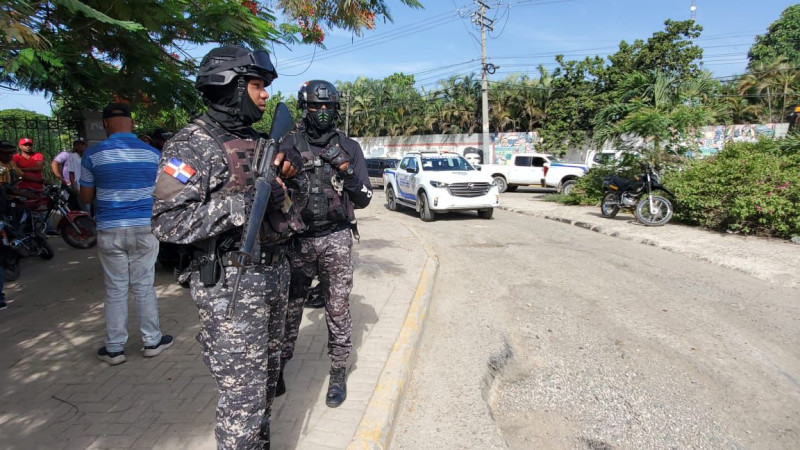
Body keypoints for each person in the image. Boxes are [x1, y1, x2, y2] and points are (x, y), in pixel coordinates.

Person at [151, 45, 304, 449]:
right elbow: (167, 222)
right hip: (231, 286)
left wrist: (285, 181)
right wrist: (240, 205)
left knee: (267, 389)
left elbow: (285, 207)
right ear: (229, 86)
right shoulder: (191, 145)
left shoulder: (258, 141)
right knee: (243, 401)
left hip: (273, 274)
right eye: (256, 85)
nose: (265, 95)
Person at [277, 80, 373, 408]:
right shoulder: (287, 144)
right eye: (315, 107)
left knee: (338, 306)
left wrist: (344, 169)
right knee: (288, 308)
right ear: (304, 109)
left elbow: (363, 199)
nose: (321, 112)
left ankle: (337, 371)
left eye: (327, 107)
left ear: (335, 110)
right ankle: (278, 367)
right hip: (297, 239)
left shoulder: (349, 147)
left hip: (336, 237)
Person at [79, 102, 173, 366]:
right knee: (144, 285)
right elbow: (166, 190)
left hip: (110, 227)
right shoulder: (153, 154)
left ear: (106, 124)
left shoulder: (93, 155)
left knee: (115, 288)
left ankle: (114, 348)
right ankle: (152, 341)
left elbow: (85, 197)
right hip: (145, 226)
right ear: (131, 123)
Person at [0, 140, 24, 311]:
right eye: (5, 152)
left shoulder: (10, 165)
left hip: (5, 205)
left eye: (10, 152)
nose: (9, 155)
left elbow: (20, 175)